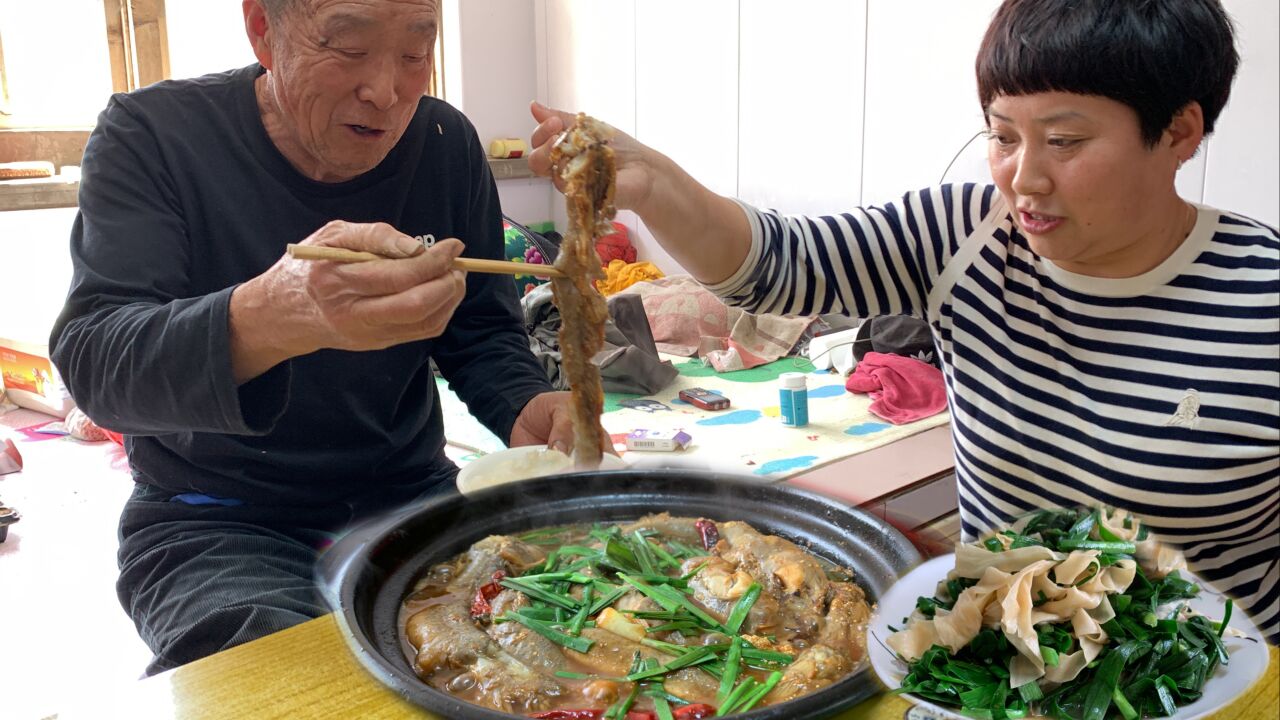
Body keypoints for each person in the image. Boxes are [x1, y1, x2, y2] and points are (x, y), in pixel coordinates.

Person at [530, 0, 1279, 642]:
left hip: (1212, 678)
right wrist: (656, 183)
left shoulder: (1263, 298)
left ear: (1180, 132)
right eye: (1003, 135)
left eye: (1065, 140)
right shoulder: (963, 235)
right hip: (998, 663)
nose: (1024, 178)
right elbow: (777, 266)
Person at [49, 0, 599, 674]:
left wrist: (529, 409)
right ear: (262, 29)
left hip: (410, 500)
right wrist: (271, 314)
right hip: (216, 520)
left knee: (555, 647)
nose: (387, 91)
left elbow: (480, 329)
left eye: (414, 51)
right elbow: (97, 364)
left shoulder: (445, 143)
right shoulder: (153, 136)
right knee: (280, 683)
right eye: (348, 45)